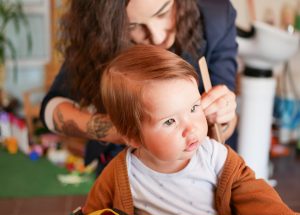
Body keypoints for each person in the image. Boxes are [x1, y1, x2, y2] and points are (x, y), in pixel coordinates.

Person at [82, 45, 300, 215]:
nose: (191, 127)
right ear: (133, 137)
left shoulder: (215, 157)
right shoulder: (121, 173)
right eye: (169, 121)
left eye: (194, 108)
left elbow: (257, 197)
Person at [40, 0, 238, 175]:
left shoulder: (216, 16)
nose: (157, 37)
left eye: (163, 12)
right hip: (122, 167)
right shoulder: (97, 37)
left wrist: (223, 116)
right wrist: (119, 131)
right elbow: (52, 109)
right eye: (133, 26)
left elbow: (225, 112)